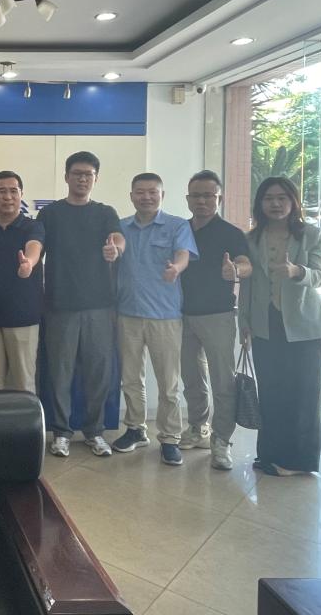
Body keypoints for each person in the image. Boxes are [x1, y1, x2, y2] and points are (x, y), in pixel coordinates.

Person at [239, 177, 321, 477]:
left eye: (282, 197)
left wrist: (297, 272)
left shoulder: (311, 235)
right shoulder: (251, 238)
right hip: (266, 325)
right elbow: (248, 285)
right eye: (269, 198)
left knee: (303, 394)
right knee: (271, 391)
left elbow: (320, 276)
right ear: (260, 203)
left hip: (305, 326)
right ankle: (270, 454)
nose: (276, 204)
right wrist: (244, 323)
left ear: (293, 202)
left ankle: (298, 461)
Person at [38, 152, 124, 458]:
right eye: (77, 173)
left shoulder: (105, 212)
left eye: (88, 174)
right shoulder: (50, 214)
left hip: (99, 306)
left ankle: (94, 431)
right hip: (59, 305)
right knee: (59, 373)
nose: (82, 179)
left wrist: (115, 249)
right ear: (66, 177)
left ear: (95, 179)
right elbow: (37, 245)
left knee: (98, 372)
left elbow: (117, 237)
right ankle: (61, 432)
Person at [113, 172, 197, 466]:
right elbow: (115, 251)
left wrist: (177, 267)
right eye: (140, 192)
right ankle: (136, 429)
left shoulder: (177, 225)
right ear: (131, 195)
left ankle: (170, 438)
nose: (146, 197)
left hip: (165, 315)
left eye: (152, 192)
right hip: (128, 314)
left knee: (168, 383)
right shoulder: (121, 226)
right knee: (130, 378)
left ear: (162, 195)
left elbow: (183, 254)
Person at [179, 170, 252, 470]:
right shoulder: (180, 230)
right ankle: (198, 427)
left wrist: (235, 271)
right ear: (187, 199)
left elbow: (246, 264)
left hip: (218, 316)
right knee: (191, 378)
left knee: (223, 381)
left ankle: (221, 439)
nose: (202, 201)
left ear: (219, 198)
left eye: (209, 195)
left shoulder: (231, 233)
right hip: (182, 315)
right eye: (196, 195)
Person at [0, 170, 44, 393]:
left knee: (23, 385)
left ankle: (25, 420)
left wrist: (28, 263)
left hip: (23, 318)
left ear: (21, 194)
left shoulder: (33, 227)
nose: (8, 197)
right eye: (2, 191)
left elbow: (34, 247)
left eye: (13, 191)